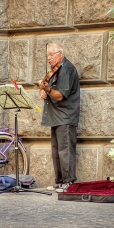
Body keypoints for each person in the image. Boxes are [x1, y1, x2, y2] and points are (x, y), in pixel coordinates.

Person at [38, 43, 80, 192]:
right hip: (56, 117)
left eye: (51, 54)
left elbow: (60, 95)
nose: (48, 58)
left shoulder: (67, 70)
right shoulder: (55, 70)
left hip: (65, 116)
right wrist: (44, 91)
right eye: (47, 55)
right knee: (56, 151)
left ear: (60, 53)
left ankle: (69, 182)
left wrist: (48, 89)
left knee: (65, 150)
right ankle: (60, 182)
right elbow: (48, 90)